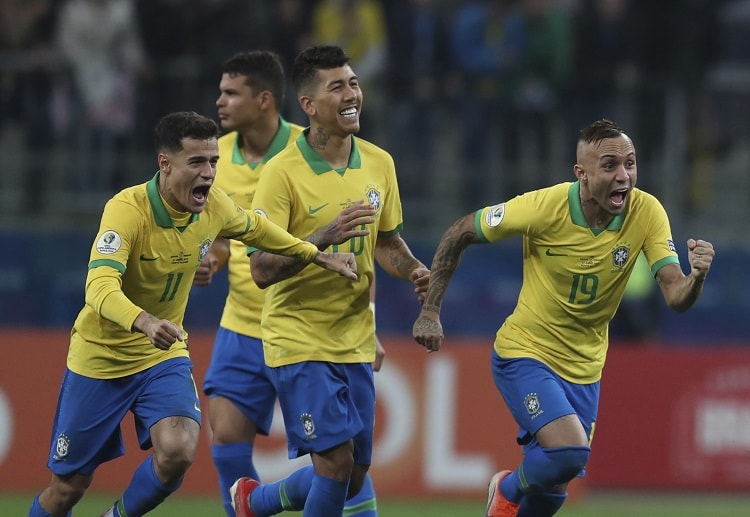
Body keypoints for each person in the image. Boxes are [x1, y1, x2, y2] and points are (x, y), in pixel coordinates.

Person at [28, 110, 358, 517]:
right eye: (197, 162)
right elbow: (98, 287)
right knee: (67, 488)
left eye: (214, 161)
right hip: (100, 358)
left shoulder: (213, 207)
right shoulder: (126, 210)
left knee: (179, 450)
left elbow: (258, 229)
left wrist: (317, 254)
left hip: (160, 356)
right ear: (165, 164)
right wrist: (145, 321)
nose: (209, 173)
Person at [412, 118, 715, 517]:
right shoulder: (544, 207)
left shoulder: (647, 212)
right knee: (571, 452)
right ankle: (504, 487)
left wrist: (697, 278)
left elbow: (675, 294)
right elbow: (460, 231)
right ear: (582, 174)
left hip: (586, 368)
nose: (623, 175)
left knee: (552, 491)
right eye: (609, 166)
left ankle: (516, 497)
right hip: (527, 353)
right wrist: (431, 311)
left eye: (630, 163)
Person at [230, 45, 430, 517]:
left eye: (354, 83)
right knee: (336, 463)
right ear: (309, 105)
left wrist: (413, 269)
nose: (351, 94)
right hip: (298, 338)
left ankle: (256, 502)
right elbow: (259, 269)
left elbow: (386, 244)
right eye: (337, 86)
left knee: (353, 472)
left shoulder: (380, 163)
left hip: (354, 338)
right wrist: (320, 239)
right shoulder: (282, 173)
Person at [193, 50, 381, 516]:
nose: (219, 102)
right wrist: (213, 258)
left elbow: (363, 244)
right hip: (243, 323)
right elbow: (218, 235)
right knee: (227, 436)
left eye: (230, 93)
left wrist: (371, 321)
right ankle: (249, 505)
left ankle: (260, 502)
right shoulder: (215, 162)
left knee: (343, 462)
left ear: (264, 100)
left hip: (313, 327)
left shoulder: (315, 147)